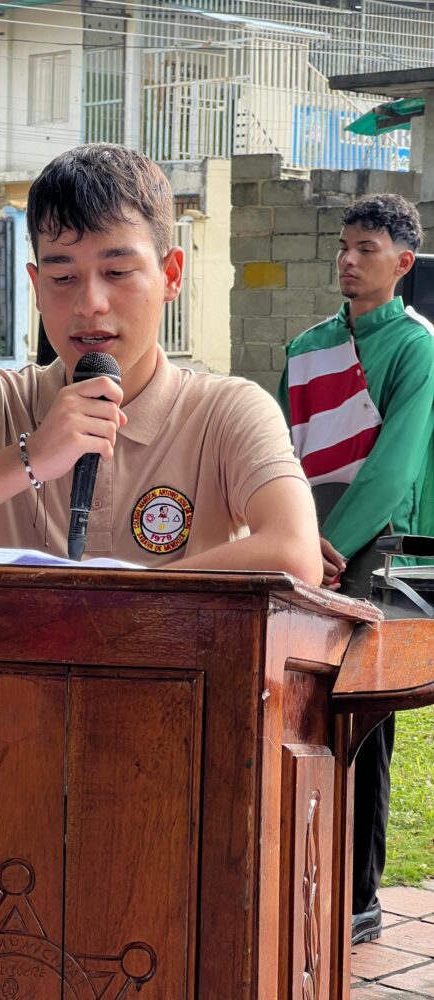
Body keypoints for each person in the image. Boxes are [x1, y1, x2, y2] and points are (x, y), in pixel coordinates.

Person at [0, 144, 321, 590]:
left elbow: (294, 554)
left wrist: (103, 608)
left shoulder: (227, 412)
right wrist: (30, 458)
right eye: (62, 276)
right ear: (37, 286)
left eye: (118, 272)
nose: (90, 304)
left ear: (170, 275)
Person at [277, 193, 434, 947]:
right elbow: (276, 449)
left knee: (362, 716)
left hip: (364, 547)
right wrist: (290, 534)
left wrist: (326, 545)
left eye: (366, 249)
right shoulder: (307, 346)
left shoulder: (417, 346)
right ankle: (302, 869)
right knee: (294, 707)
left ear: (403, 263)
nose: (347, 259)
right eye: (343, 246)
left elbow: (395, 465)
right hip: (300, 539)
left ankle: (358, 892)